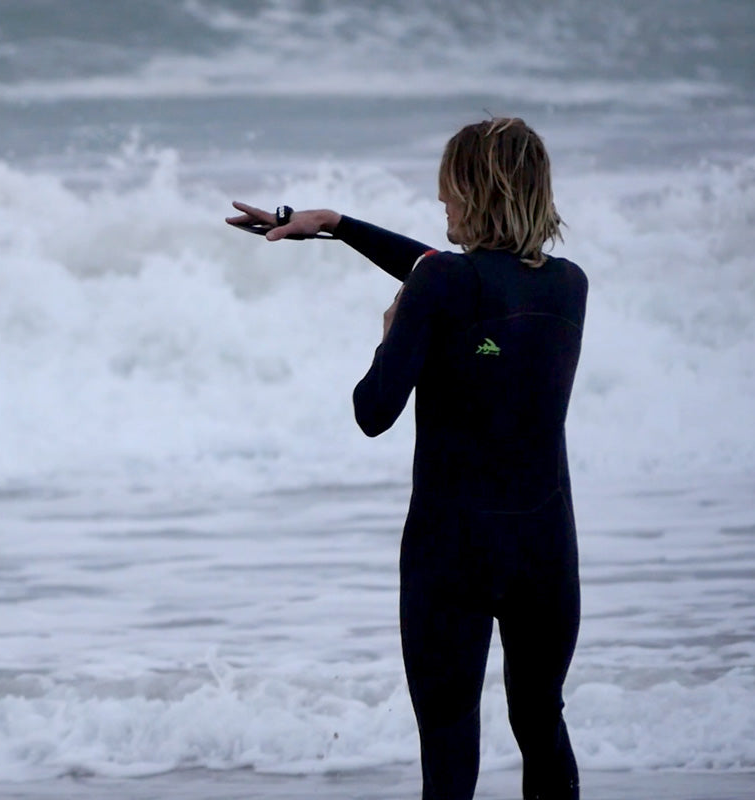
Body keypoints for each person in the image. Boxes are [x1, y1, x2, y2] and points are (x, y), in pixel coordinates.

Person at [225, 118, 587, 800]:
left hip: (451, 552)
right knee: (541, 721)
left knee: (449, 747)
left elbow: (373, 412)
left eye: (449, 188)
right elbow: (466, 277)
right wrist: (336, 224)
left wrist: (391, 334)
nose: (441, 203)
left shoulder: (438, 287)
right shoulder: (569, 286)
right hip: (546, 551)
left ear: (477, 190)